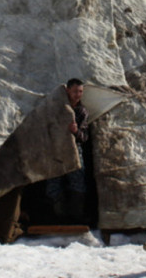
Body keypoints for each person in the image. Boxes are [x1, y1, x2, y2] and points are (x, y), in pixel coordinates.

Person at [46, 78, 89, 223]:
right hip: (56, 149)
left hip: (74, 150)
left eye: (80, 91)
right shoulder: (56, 108)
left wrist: (76, 132)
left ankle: (76, 217)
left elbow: (84, 137)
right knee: (54, 183)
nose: (78, 95)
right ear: (67, 91)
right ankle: (58, 217)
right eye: (75, 91)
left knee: (77, 181)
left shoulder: (81, 112)